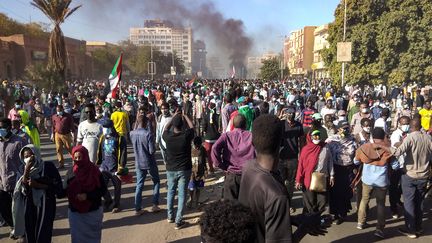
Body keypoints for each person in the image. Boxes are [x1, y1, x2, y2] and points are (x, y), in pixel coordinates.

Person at [238, 115, 329, 243]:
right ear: (281, 143)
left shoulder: (248, 167)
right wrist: (306, 227)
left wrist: (291, 219)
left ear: (252, 142)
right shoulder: (277, 195)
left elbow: (260, 212)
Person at [11, 145, 62, 242]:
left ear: (36, 155)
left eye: (31, 155)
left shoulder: (48, 167)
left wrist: (39, 185)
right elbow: (22, 189)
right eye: (25, 157)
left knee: (43, 236)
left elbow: (57, 188)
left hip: (46, 207)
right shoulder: (21, 169)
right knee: (30, 236)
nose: (28, 158)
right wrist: (27, 169)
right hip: (28, 208)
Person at [354, 128, 399, 239]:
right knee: (380, 204)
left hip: (367, 180)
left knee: (364, 200)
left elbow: (355, 161)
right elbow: (395, 166)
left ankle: (360, 222)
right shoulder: (387, 150)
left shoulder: (364, 147)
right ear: (383, 136)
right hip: (381, 181)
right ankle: (379, 229)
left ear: (372, 136)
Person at [392, 118, 432, 239]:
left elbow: (397, 153)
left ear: (411, 126)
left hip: (409, 175)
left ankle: (411, 229)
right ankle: (418, 227)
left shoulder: (410, 138)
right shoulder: (428, 138)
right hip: (423, 175)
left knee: (409, 203)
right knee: (419, 202)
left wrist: (392, 147)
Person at [64, 145, 107, 243]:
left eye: (80, 157)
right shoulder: (70, 172)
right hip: (76, 214)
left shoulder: (95, 171)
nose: (78, 160)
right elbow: (63, 190)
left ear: (86, 156)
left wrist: (87, 196)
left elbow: (102, 190)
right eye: (76, 158)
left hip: (93, 212)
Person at [211, 114, 255, 200]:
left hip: (231, 174)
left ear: (232, 125)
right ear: (246, 124)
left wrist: (220, 165)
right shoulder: (251, 136)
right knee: (247, 206)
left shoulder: (226, 136)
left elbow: (214, 148)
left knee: (230, 207)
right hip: (248, 176)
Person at [163, 112, 194, 229]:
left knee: (170, 192)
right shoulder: (186, 136)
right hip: (184, 169)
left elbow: (165, 128)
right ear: (182, 125)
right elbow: (192, 127)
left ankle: (170, 216)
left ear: (173, 126)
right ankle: (178, 220)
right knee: (182, 195)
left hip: (170, 169)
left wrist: (173, 117)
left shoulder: (167, 137)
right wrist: (185, 116)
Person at [327, 120, 357, 225]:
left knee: (346, 193)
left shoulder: (353, 140)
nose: (345, 130)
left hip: (348, 169)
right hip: (335, 169)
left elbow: (357, 155)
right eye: (343, 128)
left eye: (347, 128)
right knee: (334, 192)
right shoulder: (332, 140)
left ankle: (342, 213)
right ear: (338, 129)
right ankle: (334, 214)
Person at [0, 118, 27, 234]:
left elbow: (28, 160)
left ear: (9, 127)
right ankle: (13, 226)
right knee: (4, 209)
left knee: (18, 210)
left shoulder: (20, 142)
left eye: (3, 127)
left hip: (16, 183)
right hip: (2, 183)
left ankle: (22, 231)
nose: (1, 130)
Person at [296, 130, 334, 214]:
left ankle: (319, 219)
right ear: (310, 137)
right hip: (308, 178)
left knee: (322, 200)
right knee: (310, 201)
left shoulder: (325, 147)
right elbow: (301, 165)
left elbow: (329, 161)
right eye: (314, 135)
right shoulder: (305, 149)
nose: (317, 137)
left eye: (318, 135)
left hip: (322, 177)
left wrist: (332, 175)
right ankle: (310, 219)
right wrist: (298, 180)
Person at [130, 115, 161, 215]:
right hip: (149, 161)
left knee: (139, 185)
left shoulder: (132, 134)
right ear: (146, 123)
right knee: (156, 181)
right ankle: (154, 205)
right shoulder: (148, 134)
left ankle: (137, 208)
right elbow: (151, 150)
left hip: (138, 162)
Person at [96, 119, 126, 213]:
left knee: (117, 187)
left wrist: (121, 167)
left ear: (110, 128)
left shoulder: (120, 138)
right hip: (104, 167)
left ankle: (116, 204)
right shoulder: (102, 137)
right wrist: (98, 164)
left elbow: (123, 153)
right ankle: (108, 201)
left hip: (115, 167)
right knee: (102, 185)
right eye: (103, 128)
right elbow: (100, 151)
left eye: (105, 127)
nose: (103, 129)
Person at [279, 106, 304, 211]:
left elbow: (302, 141)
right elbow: (272, 125)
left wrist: (301, 155)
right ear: (286, 114)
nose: (291, 115)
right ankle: (281, 203)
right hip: (280, 157)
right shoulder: (281, 124)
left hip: (293, 157)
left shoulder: (299, 125)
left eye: (293, 114)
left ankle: (288, 203)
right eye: (289, 113)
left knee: (290, 183)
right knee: (280, 182)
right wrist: (279, 117)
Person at [389, 116, 410, 218]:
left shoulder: (410, 133)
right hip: (397, 165)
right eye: (404, 123)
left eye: (407, 123)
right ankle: (394, 209)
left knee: (403, 187)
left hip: (408, 165)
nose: (406, 125)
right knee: (393, 187)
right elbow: (396, 144)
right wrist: (405, 141)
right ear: (399, 124)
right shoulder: (395, 134)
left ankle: (398, 200)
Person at [110, 101, 129, 174]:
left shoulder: (113, 115)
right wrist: (128, 133)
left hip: (115, 135)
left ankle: (115, 166)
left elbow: (111, 125)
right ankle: (122, 166)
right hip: (122, 134)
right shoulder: (124, 114)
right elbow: (127, 125)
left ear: (115, 107)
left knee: (115, 150)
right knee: (123, 151)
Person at [187, 136, 207, 209]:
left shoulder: (203, 150)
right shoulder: (190, 150)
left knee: (198, 188)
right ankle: (191, 200)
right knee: (191, 188)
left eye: (199, 145)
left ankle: (196, 202)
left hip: (200, 173)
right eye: (196, 146)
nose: (197, 147)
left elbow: (204, 160)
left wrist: (206, 170)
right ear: (193, 144)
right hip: (191, 173)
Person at [202, 100, 220, 174]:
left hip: (208, 138)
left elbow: (204, 126)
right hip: (216, 137)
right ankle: (216, 165)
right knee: (216, 152)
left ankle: (211, 169)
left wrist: (204, 131)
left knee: (209, 154)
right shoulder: (218, 115)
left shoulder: (206, 115)